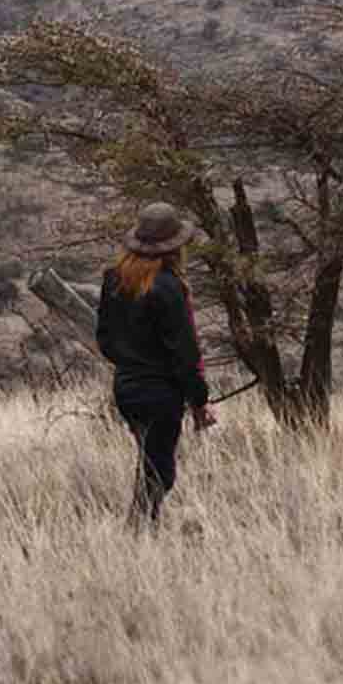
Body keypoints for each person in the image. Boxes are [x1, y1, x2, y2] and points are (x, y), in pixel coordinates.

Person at [95, 203, 212, 526]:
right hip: (160, 393)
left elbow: (104, 339)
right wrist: (199, 400)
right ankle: (138, 532)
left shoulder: (113, 280)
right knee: (160, 472)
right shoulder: (170, 288)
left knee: (149, 464)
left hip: (126, 388)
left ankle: (144, 531)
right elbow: (185, 354)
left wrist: (130, 363)